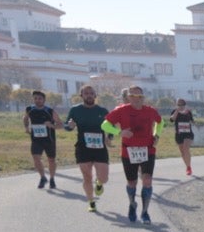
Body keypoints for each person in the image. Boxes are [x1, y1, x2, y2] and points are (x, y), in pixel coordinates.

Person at [102, 85, 161, 223]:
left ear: (143, 98)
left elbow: (160, 122)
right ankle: (132, 204)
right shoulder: (121, 110)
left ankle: (145, 212)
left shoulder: (150, 111)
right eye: (133, 96)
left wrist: (156, 134)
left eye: (139, 96)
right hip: (129, 150)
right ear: (128, 97)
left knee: (147, 180)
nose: (136, 99)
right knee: (132, 182)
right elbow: (104, 125)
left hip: (148, 149)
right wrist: (119, 132)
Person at [62, 85, 110, 212]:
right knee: (87, 177)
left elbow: (110, 126)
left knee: (104, 178)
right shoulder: (75, 110)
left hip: (100, 148)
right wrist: (70, 126)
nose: (89, 95)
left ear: (95, 96)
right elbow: (67, 125)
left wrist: (109, 137)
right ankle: (91, 202)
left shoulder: (103, 110)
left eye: (91, 93)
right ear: (81, 95)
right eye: (86, 93)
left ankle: (99, 183)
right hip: (83, 147)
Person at [23, 90, 59, 190]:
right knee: (36, 157)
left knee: (51, 160)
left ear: (44, 100)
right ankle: (43, 177)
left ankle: (52, 178)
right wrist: (26, 127)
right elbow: (25, 118)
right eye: (35, 98)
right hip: (36, 139)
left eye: (40, 99)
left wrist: (51, 125)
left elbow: (60, 124)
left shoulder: (50, 111)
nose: (37, 100)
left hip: (49, 140)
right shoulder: (29, 109)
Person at [169, 98, 196, 175]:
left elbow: (192, 120)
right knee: (182, 152)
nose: (180, 106)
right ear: (176, 105)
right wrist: (177, 111)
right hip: (179, 134)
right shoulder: (175, 111)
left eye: (182, 104)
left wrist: (193, 122)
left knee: (186, 148)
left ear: (185, 105)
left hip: (188, 134)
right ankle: (188, 166)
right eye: (179, 104)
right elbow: (172, 120)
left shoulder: (188, 112)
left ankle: (188, 168)